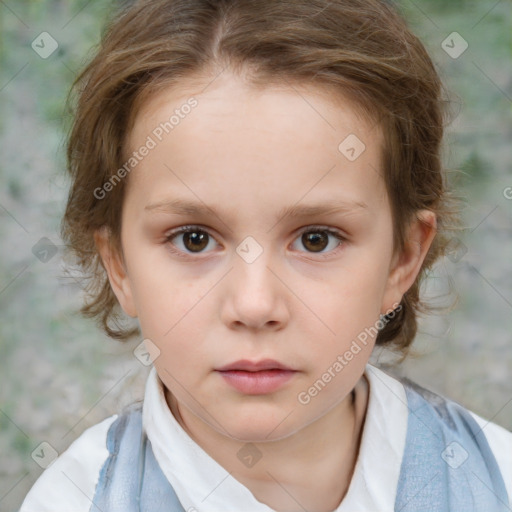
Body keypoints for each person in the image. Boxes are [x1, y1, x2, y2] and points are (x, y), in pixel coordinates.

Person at [20, 0, 512, 510]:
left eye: (316, 239)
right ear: (118, 264)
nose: (255, 305)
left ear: (402, 258)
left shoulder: (497, 480)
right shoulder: (70, 500)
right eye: (194, 239)